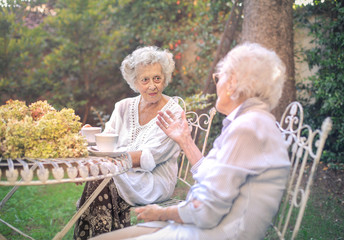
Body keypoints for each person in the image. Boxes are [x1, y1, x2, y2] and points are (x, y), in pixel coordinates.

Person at [89, 42, 291, 240]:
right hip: (206, 226)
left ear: (233, 84)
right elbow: (213, 179)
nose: (216, 83)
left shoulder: (248, 129)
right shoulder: (253, 122)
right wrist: (185, 141)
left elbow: (207, 212)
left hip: (211, 233)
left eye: (218, 77)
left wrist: (162, 214)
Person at [74, 46, 183, 240]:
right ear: (134, 82)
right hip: (120, 172)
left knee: (102, 176)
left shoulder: (173, 113)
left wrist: (104, 166)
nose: (152, 86)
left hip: (154, 180)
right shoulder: (123, 107)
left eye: (157, 78)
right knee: (102, 176)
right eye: (145, 79)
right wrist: (90, 142)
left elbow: (150, 157)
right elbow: (106, 142)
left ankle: (91, 237)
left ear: (165, 78)